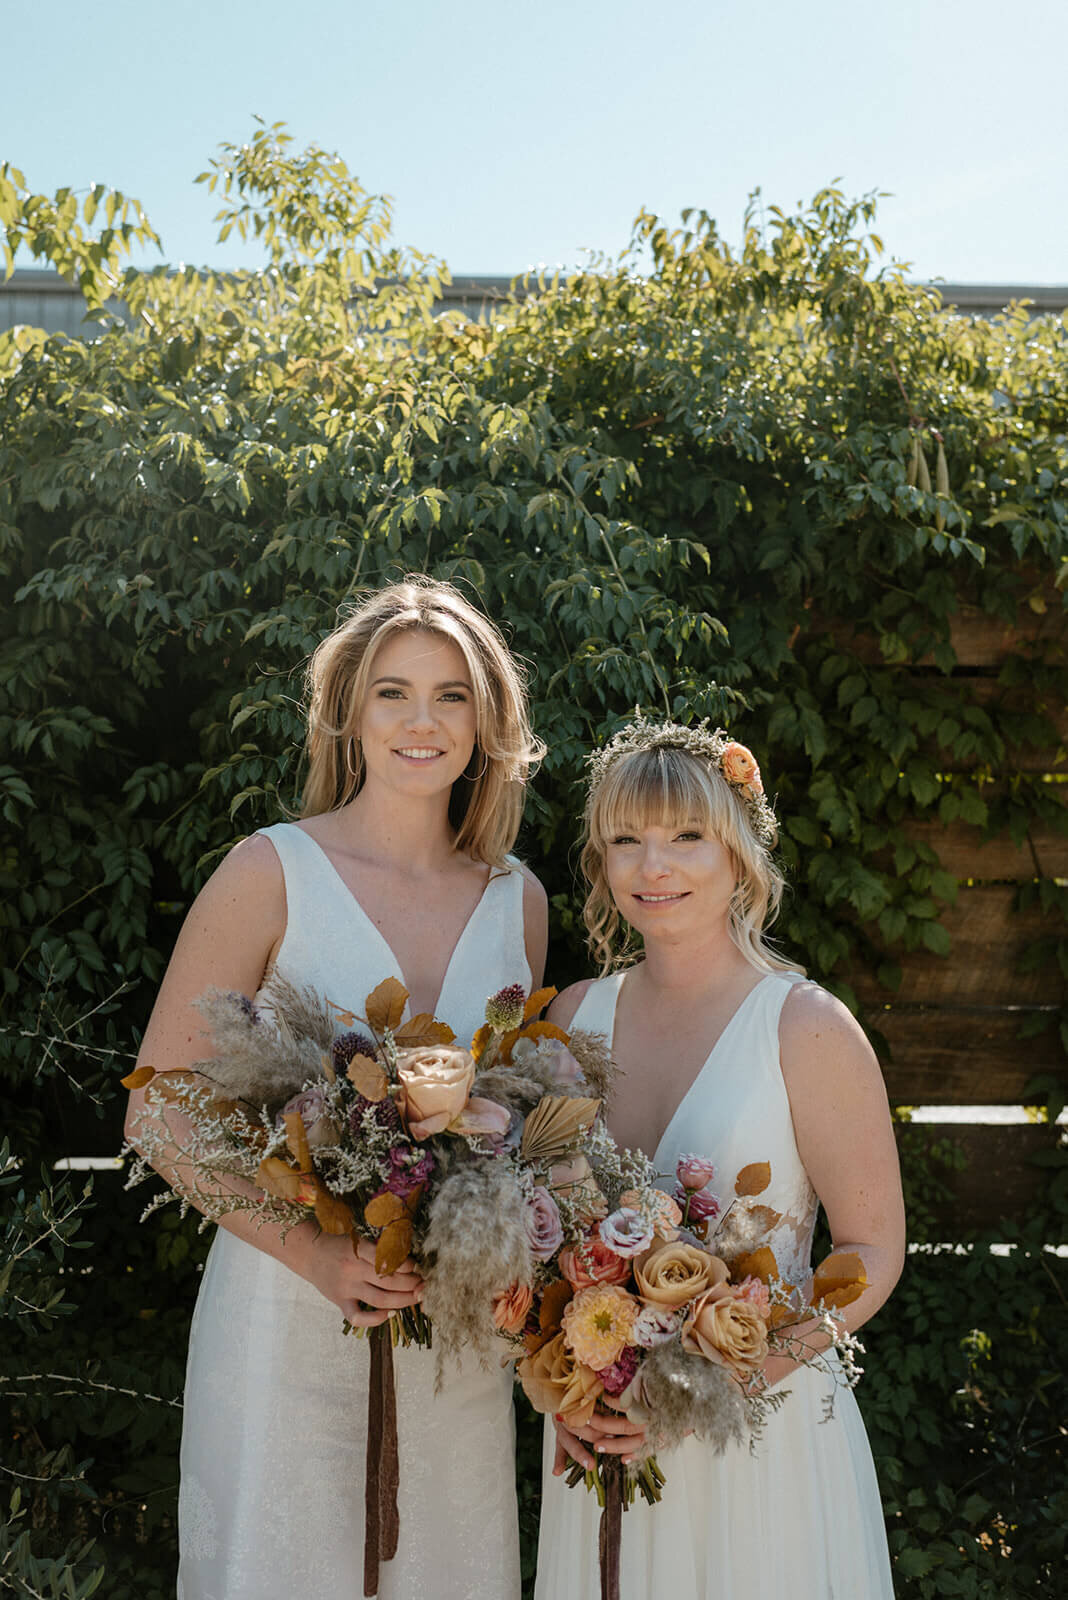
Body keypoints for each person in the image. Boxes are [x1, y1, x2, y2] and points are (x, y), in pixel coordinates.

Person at [125, 577, 547, 1599]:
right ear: (350, 711)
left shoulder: (516, 897)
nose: (422, 721)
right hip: (285, 1320)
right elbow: (159, 1108)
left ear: (488, 719)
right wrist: (314, 1253)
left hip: (451, 1345)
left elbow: (514, 1124)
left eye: (452, 695)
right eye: (393, 691)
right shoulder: (269, 871)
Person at [535, 719, 904, 1600]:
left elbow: (872, 1253)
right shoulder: (570, 1022)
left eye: (685, 837)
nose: (651, 865)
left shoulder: (808, 1027)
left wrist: (713, 1386)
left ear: (738, 853)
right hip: (605, 1447)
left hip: (761, 1444)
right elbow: (541, 1239)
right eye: (625, 840)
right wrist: (559, 1381)